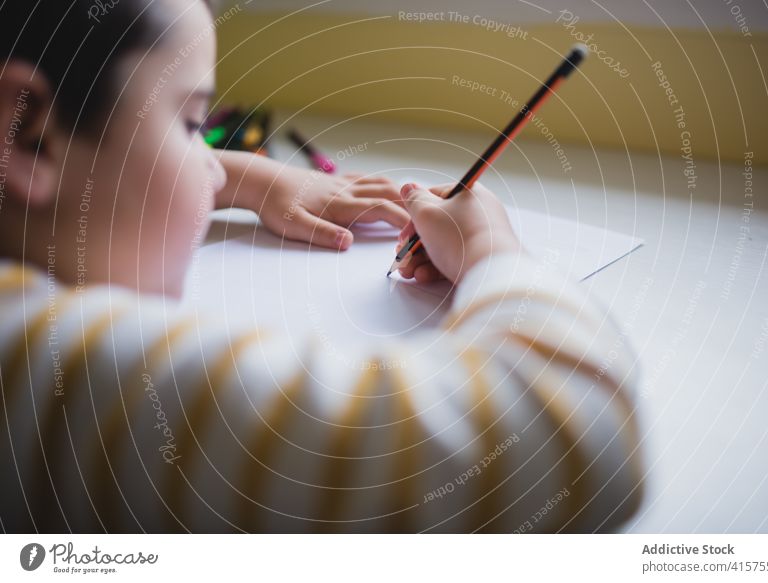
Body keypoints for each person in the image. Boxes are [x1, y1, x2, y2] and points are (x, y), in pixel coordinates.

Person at [0, 0, 643, 532]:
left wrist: (255, 181)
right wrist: (492, 252)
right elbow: (574, 447)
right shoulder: (47, 369)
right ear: (28, 133)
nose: (214, 163)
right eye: (191, 121)